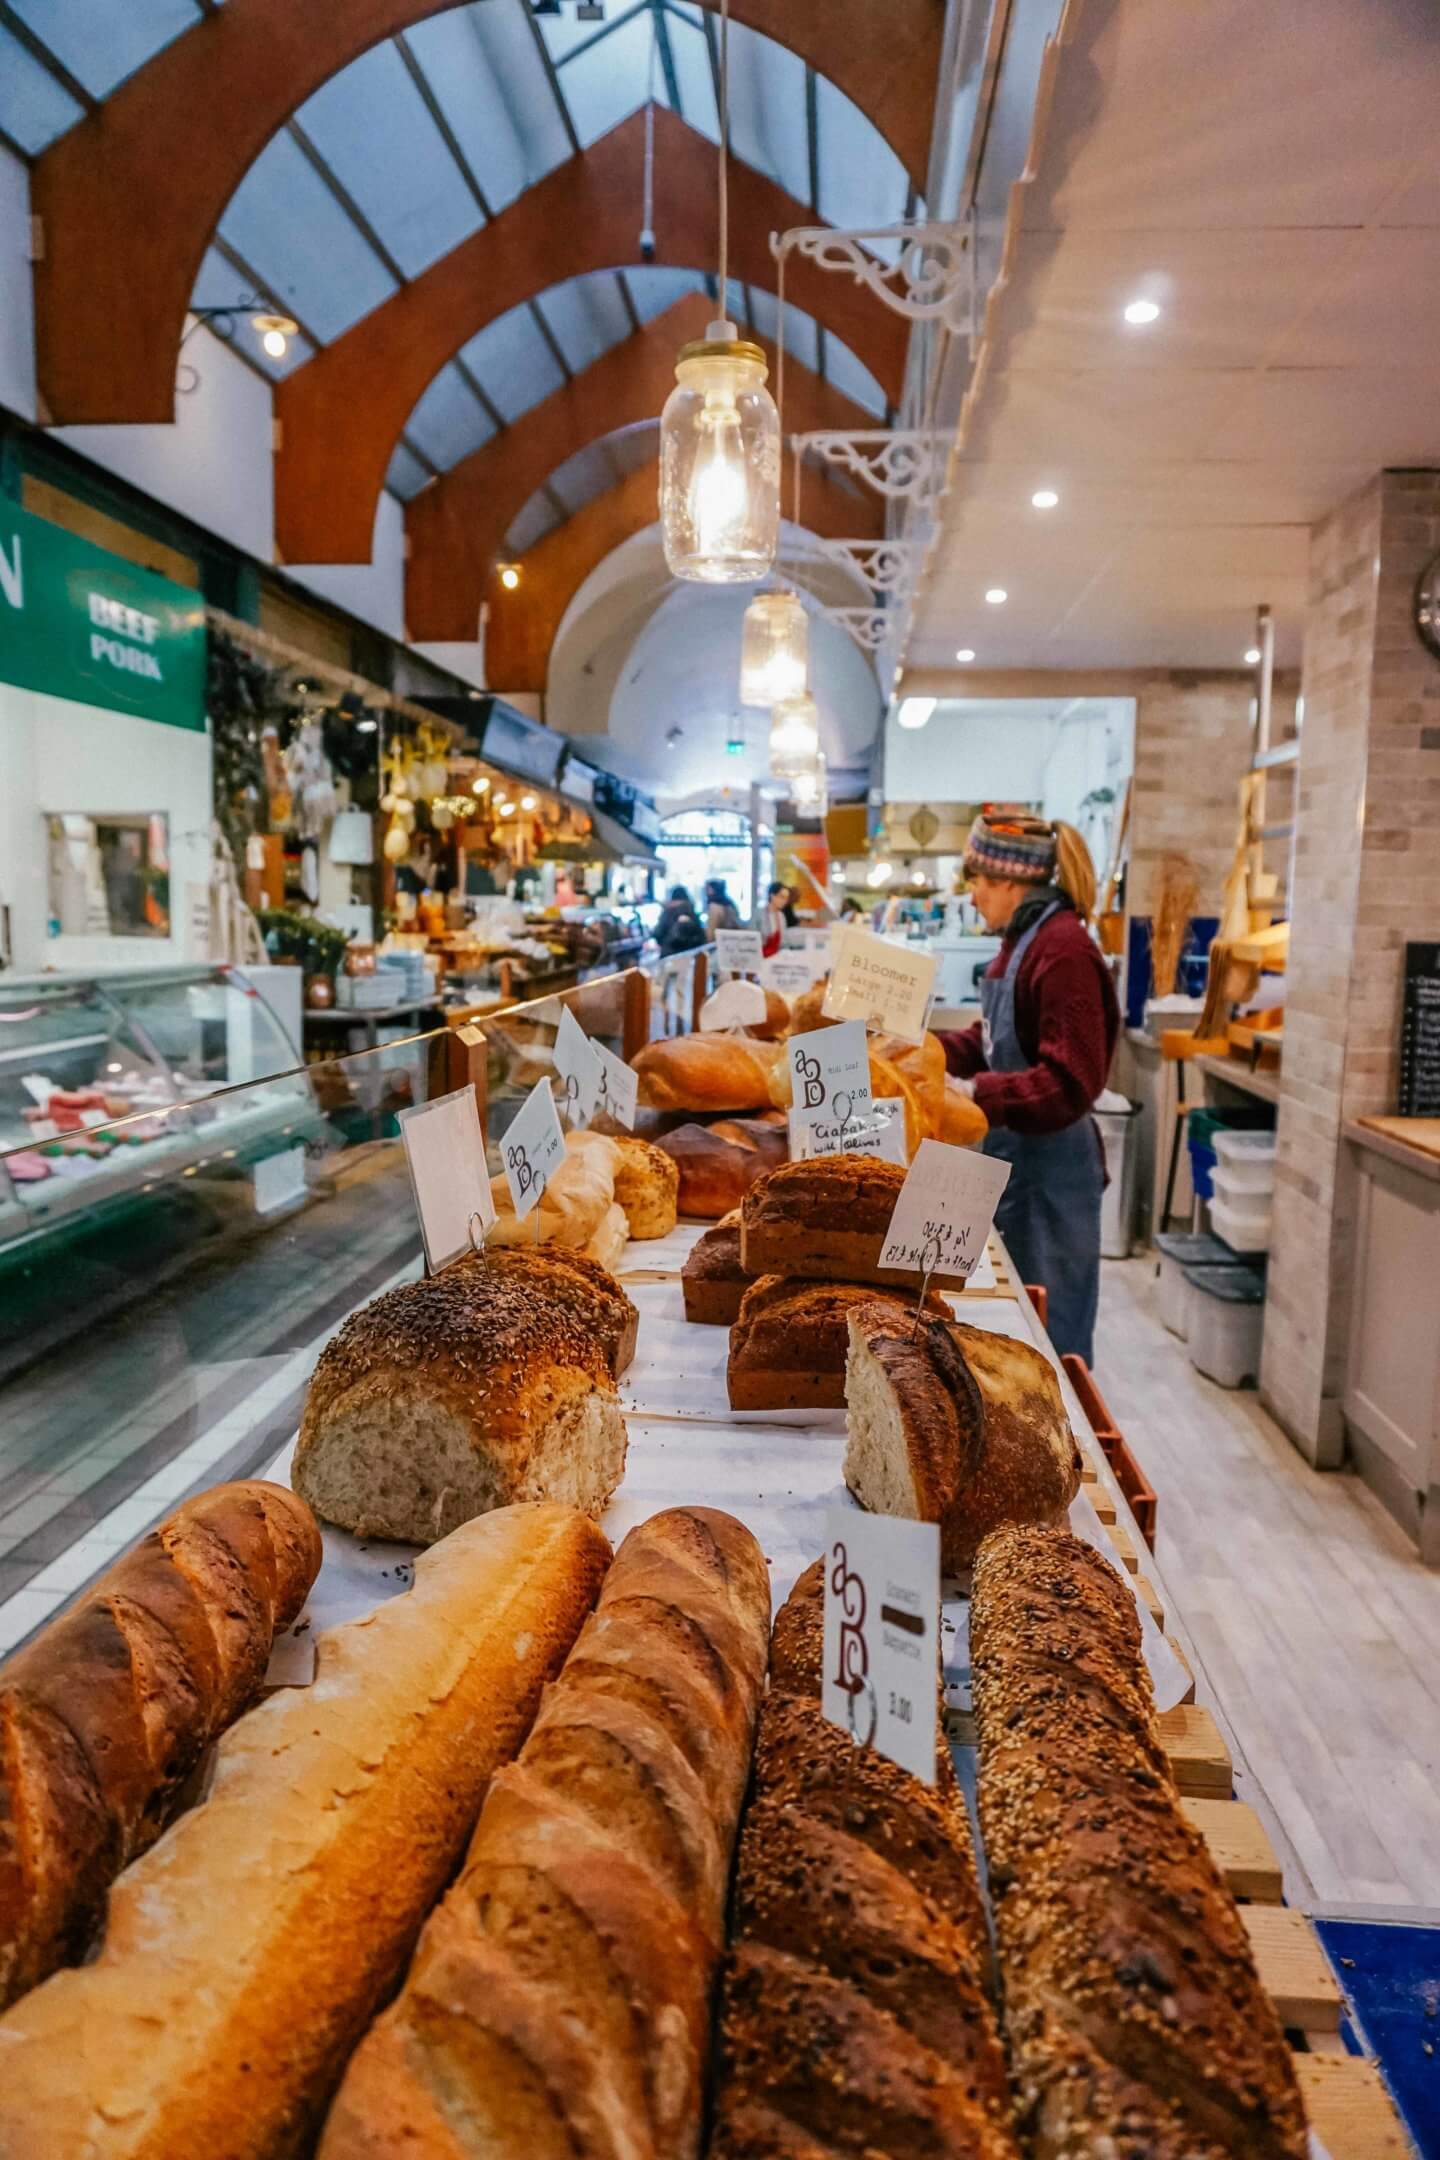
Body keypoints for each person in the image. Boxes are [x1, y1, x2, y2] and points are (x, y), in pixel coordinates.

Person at [936, 811, 1119, 1366]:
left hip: (1051, 1178)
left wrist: (974, 1095)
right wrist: (922, 1051)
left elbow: (1070, 1082)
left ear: (1008, 881)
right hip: (1016, 1161)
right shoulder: (1020, 943)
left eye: (976, 882)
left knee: (1050, 1335)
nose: (972, 897)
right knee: (1011, 1326)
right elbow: (994, 1037)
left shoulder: (1063, 950)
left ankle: (1064, 1449)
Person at [655, 884, 705, 955]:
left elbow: (657, 934)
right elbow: (701, 935)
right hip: (692, 955)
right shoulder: (691, 911)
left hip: (670, 956)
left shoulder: (668, 911)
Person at [760, 880, 793, 957]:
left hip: (775, 958)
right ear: (772, 896)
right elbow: (751, 942)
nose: (785, 901)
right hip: (760, 958)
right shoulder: (758, 915)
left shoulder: (781, 916)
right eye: (782, 897)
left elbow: (784, 942)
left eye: (786, 898)